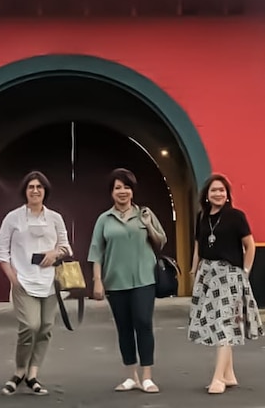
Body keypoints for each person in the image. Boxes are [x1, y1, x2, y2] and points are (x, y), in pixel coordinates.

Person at [0, 170, 73, 396]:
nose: (35, 191)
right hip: (23, 282)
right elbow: (0, 252)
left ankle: (33, 374)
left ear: (45, 191)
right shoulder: (13, 218)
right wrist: (13, 278)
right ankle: (19, 371)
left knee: (46, 328)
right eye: (31, 187)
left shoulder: (55, 218)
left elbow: (66, 247)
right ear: (25, 191)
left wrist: (55, 253)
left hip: (50, 283)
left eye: (39, 187)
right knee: (30, 326)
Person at [88, 168, 167, 394]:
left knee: (143, 322)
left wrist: (148, 224)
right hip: (115, 281)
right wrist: (97, 281)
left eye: (126, 187)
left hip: (144, 279)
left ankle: (147, 376)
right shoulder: (104, 219)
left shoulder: (144, 213)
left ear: (133, 191)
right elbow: (96, 252)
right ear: (111, 193)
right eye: (117, 188)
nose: (122, 191)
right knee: (124, 328)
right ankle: (131, 376)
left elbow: (161, 240)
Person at [188, 173, 264, 395]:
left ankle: (218, 378)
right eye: (214, 190)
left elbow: (250, 246)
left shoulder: (236, 217)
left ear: (227, 194)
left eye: (222, 190)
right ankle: (229, 374)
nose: (218, 194)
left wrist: (245, 272)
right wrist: (195, 271)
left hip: (229, 274)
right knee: (216, 322)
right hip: (207, 273)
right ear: (207, 195)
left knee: (223, 323)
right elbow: (197, 246)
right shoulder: (202, 217)